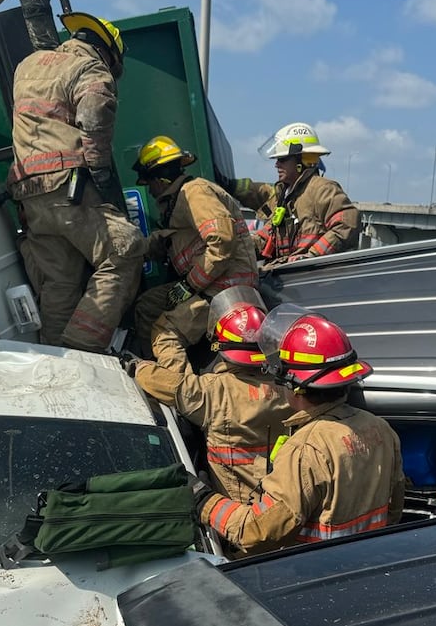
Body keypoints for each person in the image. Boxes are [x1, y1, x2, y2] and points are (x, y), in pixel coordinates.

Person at [194, 311, 404, 554]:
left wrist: (203, 500)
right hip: (368, 560)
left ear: (296, 387)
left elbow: (256, 532)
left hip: (313, 568)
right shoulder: (380, 428)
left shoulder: (305, 449)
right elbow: (394, 510)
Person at [9, 11, 145, 351]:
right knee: (125, 250)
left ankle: (57, 356)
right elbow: (94, 113)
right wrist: (99, 169)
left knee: (59, 283)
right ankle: (83, 349)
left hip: (29, 193)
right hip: (67, 187)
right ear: (108, 52)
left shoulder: (26, 66)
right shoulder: (90, 67)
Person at [132, 289, 296, 502]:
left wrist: (137, 366)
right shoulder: (290, 387)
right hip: (284, 495)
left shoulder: (214, 391)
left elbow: (164, 381)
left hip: (236, 505)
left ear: (222, 347)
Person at [131, 135, 260, 348]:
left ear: (159, 179)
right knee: (147, 305)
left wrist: (189, 285)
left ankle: (160, 367)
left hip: (223, 290)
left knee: (164, 335)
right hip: (211, 285)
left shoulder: (195, 191)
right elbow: (174, 238)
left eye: (149, 183)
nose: (150, 191)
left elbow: (222, 242)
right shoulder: (179, 200)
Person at [224, 122, 361, 265]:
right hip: (287, 273)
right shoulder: (286, 196)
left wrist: (311, 257)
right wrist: (232, 248)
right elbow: (268, 238)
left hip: (307, 275)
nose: (277, 164)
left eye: (282, 159)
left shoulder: (322, 189)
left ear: (301, 160)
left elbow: (347, 224)